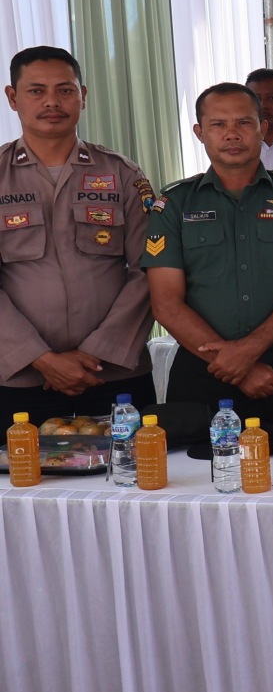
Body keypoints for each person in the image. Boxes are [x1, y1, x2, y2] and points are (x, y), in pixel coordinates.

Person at [144, 83, 273, 436]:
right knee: (196, 481)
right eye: (218, 124)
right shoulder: (174, 203)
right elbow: (165, 303)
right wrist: (237, 364)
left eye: (244, 123)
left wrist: (248, 351)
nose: (232, 134)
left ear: (263, 127)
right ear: (199, 132)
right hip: (200, 370)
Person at [0, 46, 157, 421]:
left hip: (114, 373)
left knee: (135, 474)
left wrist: (97, 353)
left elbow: (150, 268)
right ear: (12, 97)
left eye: (65, 90)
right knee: (23, 479)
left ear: (83, 96)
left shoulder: (122, 173)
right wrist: (40, 358)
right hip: (19, 377)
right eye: (37, 91)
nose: (52, 101)